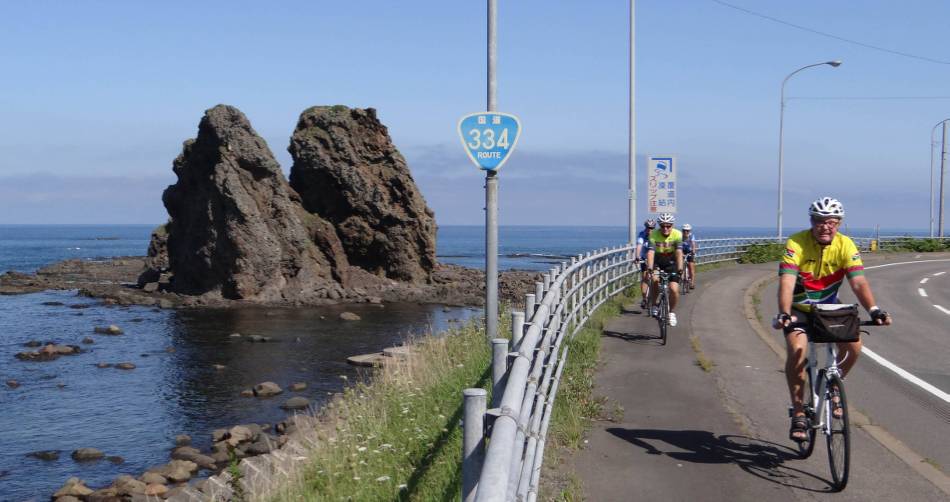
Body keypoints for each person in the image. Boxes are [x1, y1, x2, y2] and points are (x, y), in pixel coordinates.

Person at [772, 196, 891, 442]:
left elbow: (858, 282)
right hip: (800, 308)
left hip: (828, 308)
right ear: (811, 222)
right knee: (797, 350)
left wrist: (875, 310)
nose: (825, 226)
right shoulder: (797, 242)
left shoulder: (846, 245)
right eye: (819, 221)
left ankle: (834, 385)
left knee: (854, 347)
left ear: (838, 224)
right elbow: (787, 281)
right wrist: (784, 312)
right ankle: (798, 411)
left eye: (831, 222)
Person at [645, 212, 684, 327]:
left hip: (671, 262)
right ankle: (655, 305)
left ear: (672, 225)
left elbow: (679, 252)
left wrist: (680, 268)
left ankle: (671, 313)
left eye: (668, 226)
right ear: (659, 226)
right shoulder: (653, 235)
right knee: (655, 280)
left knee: (673, 289)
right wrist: (650, 268)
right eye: (662, 226)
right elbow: (651, 252)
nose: (665, 228)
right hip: (658, 261)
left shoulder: (677, 234)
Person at [636, 218, 657, 309]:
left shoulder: (657, 235)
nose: (650, 229)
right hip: (644, 258)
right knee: (645, 277)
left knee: (656, 278)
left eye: (652, 228)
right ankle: (644, 299)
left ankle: (656, 296)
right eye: (648, 227)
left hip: (655, 258)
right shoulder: (642, 235)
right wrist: (637, 256)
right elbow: (639, 246)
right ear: (645, 227)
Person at [681, 223, 698, 289]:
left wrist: (693, 252)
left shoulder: (691, 236)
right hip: (682, 251)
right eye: (684, 230)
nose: (686, 232)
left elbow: (693, 245)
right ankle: (682, 276)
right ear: (682, 230)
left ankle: (692, 283)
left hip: (690, 252)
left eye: (687, 230)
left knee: (691, 267)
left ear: (689, 231)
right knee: (680, 264)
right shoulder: (680, 237)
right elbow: (678, 246)